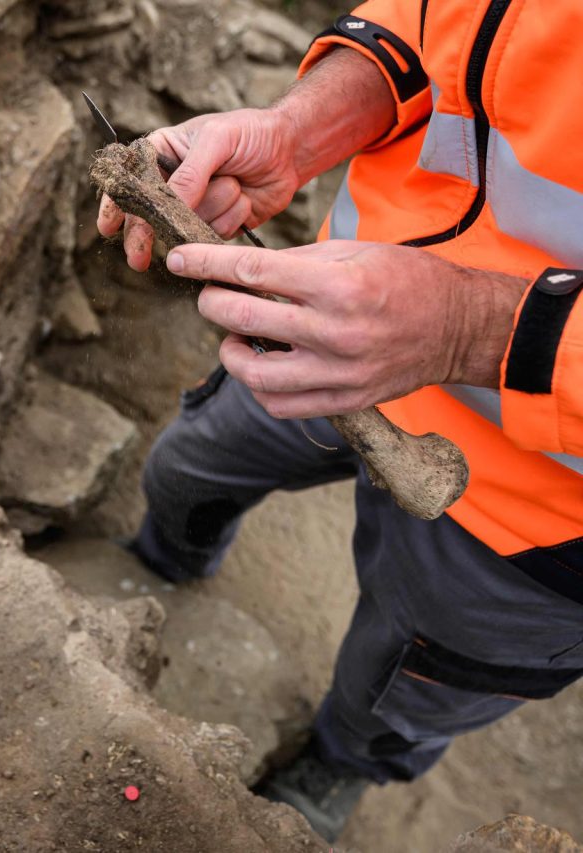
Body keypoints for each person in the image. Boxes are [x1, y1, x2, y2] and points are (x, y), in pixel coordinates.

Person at [97, 1, 583, 841]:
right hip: (326, 316)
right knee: (190, 464)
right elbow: (438, 26)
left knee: (403, 681)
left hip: (540, 518)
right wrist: (299, 130)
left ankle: (340, 761)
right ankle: (169, 561)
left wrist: (476, 328)